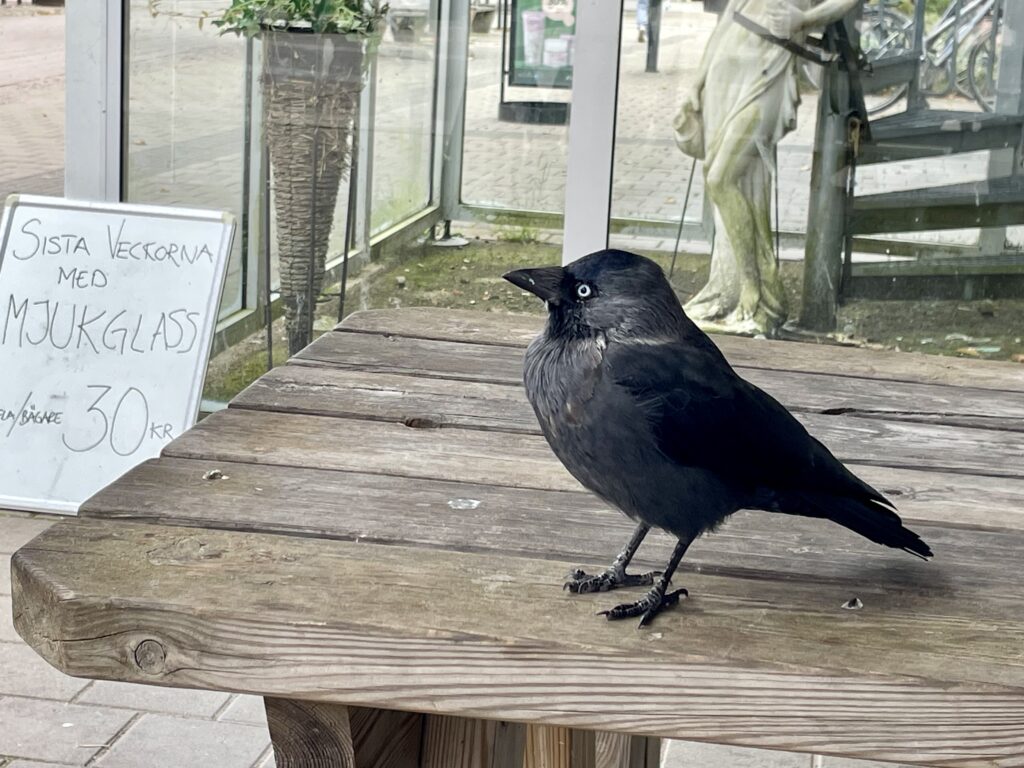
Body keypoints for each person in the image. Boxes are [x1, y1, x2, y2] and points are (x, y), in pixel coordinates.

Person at [674, 0, 860, 336]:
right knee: (725, 179)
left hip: (767, 72)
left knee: (721, 179)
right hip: (726, 74)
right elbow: (729, 18)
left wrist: (804, 18)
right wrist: (695, 84)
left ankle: (754, 289)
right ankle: (764, 293)